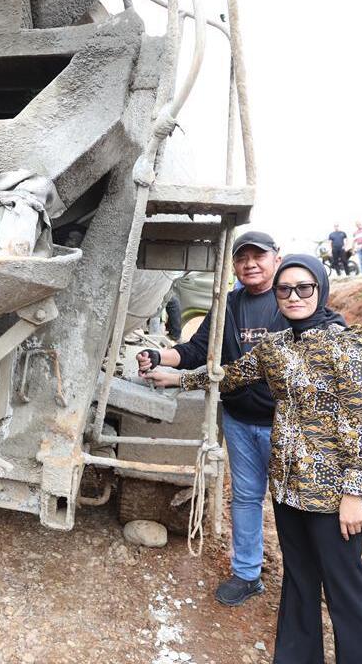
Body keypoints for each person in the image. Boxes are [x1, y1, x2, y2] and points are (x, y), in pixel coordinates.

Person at [146, 254, 362, 662]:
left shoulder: (345, 344)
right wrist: (178, 378)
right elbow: (230, 374)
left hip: (330, 494)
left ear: (320, 290)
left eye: (303, 288)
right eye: (285, 290)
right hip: (288, 488)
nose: (293, 296)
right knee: (298, 580)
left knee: (346, 588)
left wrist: (354, 493)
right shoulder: (274, 347)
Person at [136, 231, 288, 607]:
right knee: (247, 498)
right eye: (243, 258)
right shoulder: (228, 305)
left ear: (277, 259)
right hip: (238, 421)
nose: (250, 263)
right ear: (234, 265)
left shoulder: (291, 300)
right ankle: (247, 574)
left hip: (287, 424)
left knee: (294, 503)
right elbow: (198, 350)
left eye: (259, 256)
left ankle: (303, 578)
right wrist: (159, 358)